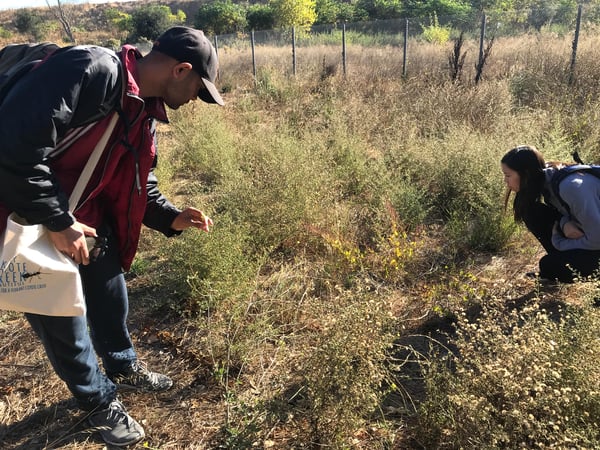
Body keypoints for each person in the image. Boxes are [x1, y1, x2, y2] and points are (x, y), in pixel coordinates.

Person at [0, 26, 222, 446]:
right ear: (181, 70)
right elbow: (12, 148)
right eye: (199, 89)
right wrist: (58, 222)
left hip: (83, 222)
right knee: (63, 321)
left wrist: (171, 217)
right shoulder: (91, 69)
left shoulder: (142, 109)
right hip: (23, 217)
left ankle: (122, 366)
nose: (196, 99)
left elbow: (138, 180)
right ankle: (98, 404)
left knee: (109, 292)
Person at [501, 145, 600, 283]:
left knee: (549, 265)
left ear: (526, 174)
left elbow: (597, 240)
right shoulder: (545, 177)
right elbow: (566, 211)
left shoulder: (570, 187)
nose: (505, 181)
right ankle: (562, 260)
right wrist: (564, 223)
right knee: (531, 211)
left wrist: (560, 243)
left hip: (596, 241)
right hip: (591, 234)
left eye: (508, 175)